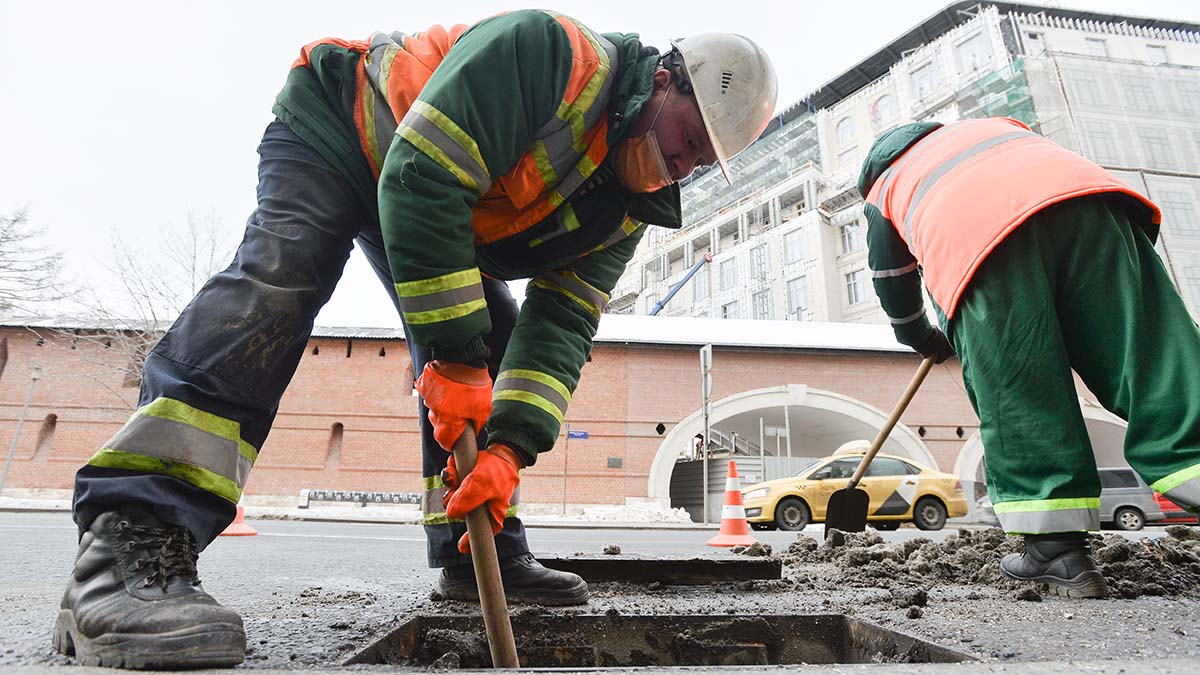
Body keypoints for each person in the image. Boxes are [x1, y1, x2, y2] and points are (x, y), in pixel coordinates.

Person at [52, 9, 777, 669]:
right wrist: (453, 361)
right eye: (688, 139)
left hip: (431, 192)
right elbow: (424, 175)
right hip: (348, 127)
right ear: (662, 80)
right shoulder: (552, 56)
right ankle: (130, 539)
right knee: (286, 271)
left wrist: (507, 447)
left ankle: (475, 546)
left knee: (490, 335)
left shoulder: (627, 210)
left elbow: (562, 324)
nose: (683, 167)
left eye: (702, 163)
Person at [858, 116, 1200, 599]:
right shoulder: (994, 126)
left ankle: (1056, 552)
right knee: (1154, 357)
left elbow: (891, 276)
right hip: (1092, 207)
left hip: (983, 246)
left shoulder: (885, 187)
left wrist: (919, 334)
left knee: (1021, 388)